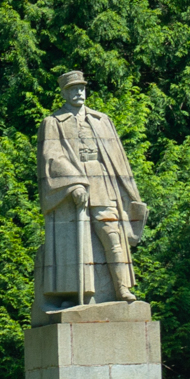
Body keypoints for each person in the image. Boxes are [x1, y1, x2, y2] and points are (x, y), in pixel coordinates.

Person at [36, 71, 146, 307]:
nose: (78, 93)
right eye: (73, 89)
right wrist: (74, 182)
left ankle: (122, 288)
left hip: (102, 183)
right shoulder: (53, 122)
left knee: (112, 235)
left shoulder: (101, 120)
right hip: (72, 187)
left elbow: (117, 160)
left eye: (81, 88)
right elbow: (51, 157)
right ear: (64, 93)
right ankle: (81, 296)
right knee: (78, 242)